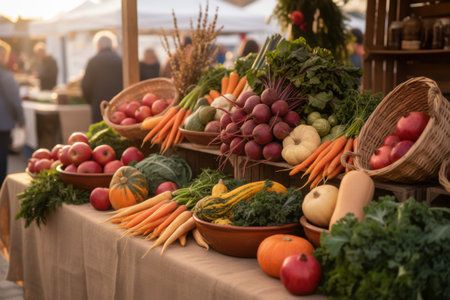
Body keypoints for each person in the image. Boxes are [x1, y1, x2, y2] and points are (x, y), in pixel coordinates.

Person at [82, 31, 123, 123]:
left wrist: (90, 101)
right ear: (113, 45)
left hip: (99, 105)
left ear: (98, 45)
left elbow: (86, 85)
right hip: (119, 105)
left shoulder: (93, 61)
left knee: (99, 132)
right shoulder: (120, 60)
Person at [0, 40, 24, 186]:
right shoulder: (6, 76)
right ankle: (2, 188)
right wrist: (20, 118)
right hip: (2, 123)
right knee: (1, 156)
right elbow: (15, 100)